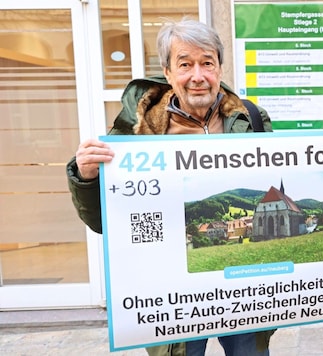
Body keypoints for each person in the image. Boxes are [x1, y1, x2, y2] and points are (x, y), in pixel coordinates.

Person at [66, 18, 275, 356]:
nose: (198, 75)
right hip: (172, 290)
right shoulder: (138, 132)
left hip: (241, 283)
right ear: (167, 72)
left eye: (207, 63)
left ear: (220, 68)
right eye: (185, 64)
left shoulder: (250, 118)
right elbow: (105, 222)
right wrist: (86, 178)